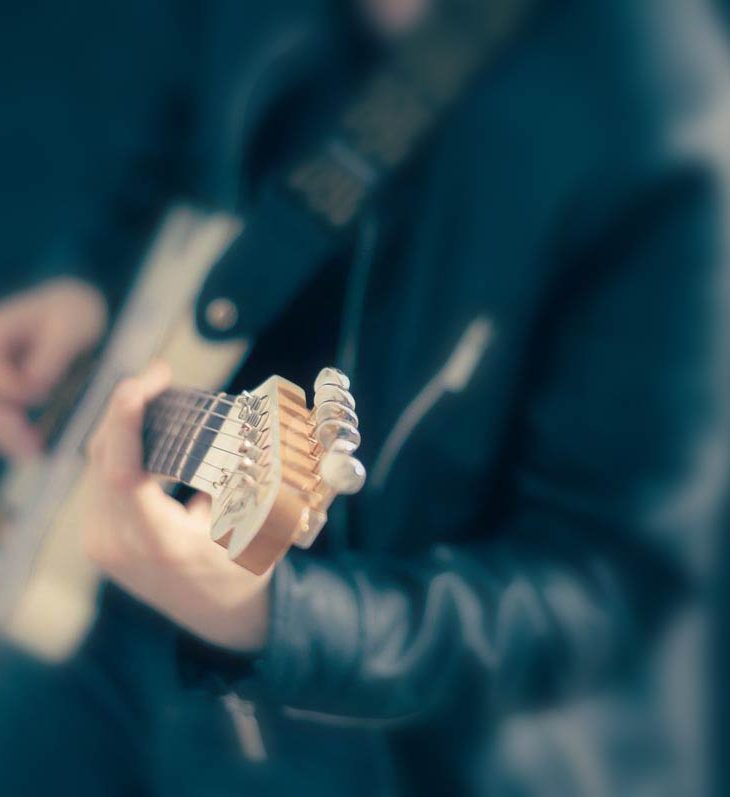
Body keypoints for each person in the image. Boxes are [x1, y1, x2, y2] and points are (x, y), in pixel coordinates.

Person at [1, 0, 730, 794]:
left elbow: (598, 586)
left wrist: (273, 615)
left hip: (395, 737)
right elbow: (187, 139)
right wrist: (92, 281)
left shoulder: (660, 120)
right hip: (110, 608)